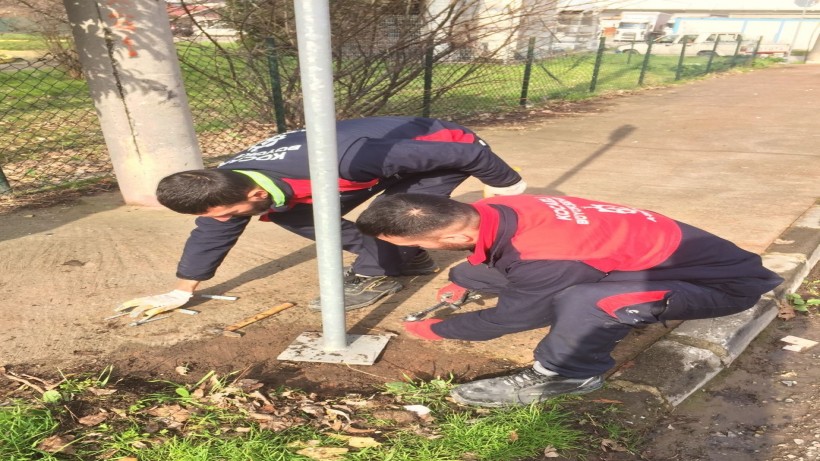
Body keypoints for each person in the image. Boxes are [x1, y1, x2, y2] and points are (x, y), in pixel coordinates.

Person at [355, 193, 783, 407]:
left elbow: (510, 319)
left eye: (413, 245)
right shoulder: (496, 207)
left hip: (723, 285)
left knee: (586, 301)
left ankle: (567, 374)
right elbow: (502, 256)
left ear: (452, 235)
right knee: (514, 273)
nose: (411, 252)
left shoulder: (548, 255)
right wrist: (462, 281)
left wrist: (433, 329)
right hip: (662, 260)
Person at [117, 116, 525, 319]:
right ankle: (405, 258)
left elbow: (468, 154)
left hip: (440, 149)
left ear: (254, 193)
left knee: (391, 217)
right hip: (359, 168)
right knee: (291, 215)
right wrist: (180, 291)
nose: (224, 220)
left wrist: (507, 193)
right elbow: (211, 232)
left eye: (229, 213)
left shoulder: (343, 161)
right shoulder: (225, 184)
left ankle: (378, 271)